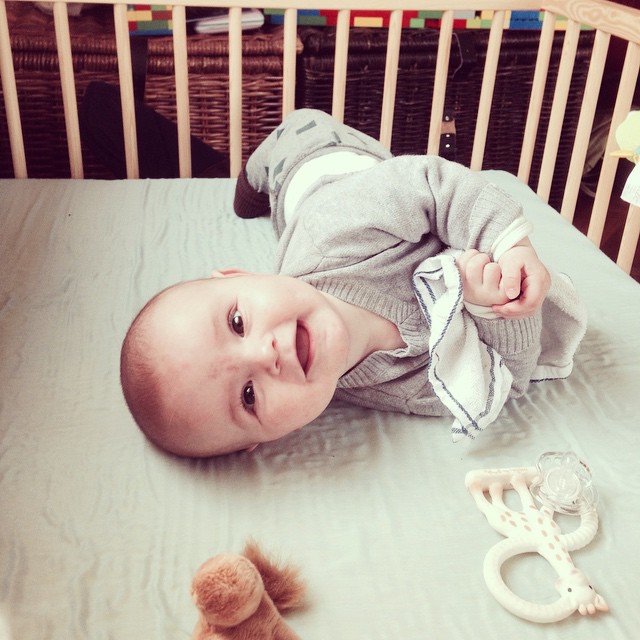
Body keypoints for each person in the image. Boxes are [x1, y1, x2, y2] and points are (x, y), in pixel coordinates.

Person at [121, 109, 583, 458]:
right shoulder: (398, 389)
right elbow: (505, 382)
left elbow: (431, 184)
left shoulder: (334, 229)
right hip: (347, 216)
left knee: (300, 141)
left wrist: (508, 244)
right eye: (248, 396)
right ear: (264, 439)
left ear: (242, 276)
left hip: (329, 170)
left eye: (237, 322)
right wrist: (496, 307)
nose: (265, 355)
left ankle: (258, 167)